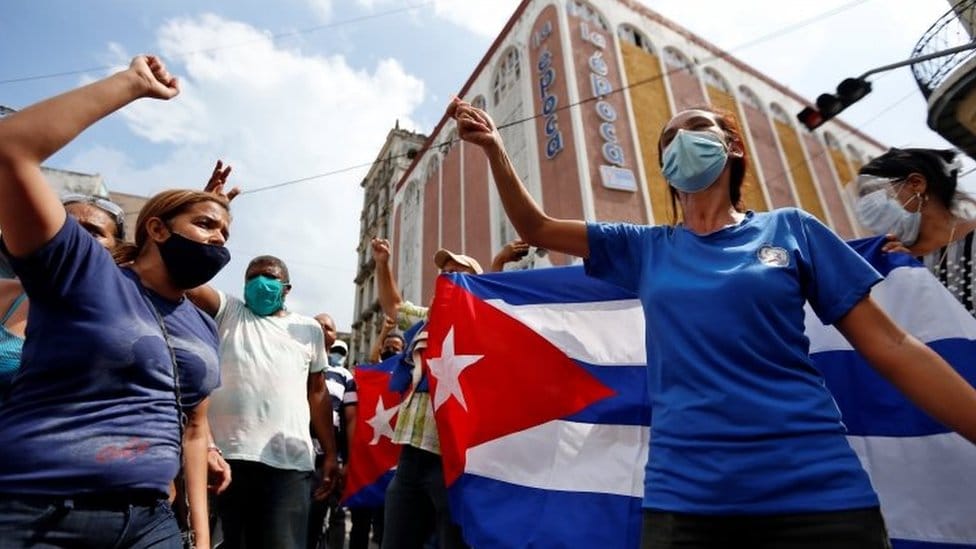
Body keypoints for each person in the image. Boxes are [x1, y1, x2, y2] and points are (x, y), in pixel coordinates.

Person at [450, 99, 976, 548]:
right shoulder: (645, 248)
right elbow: (535, 226)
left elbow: (892, 345)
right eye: (669, 138)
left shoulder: (792, 229)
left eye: (697, 128)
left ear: (734, 148)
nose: (682, 139)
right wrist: (495, 148)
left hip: (819, 496)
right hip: (686, 506)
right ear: (666, 168)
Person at [0, 55, 227, 547]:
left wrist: (201, 538)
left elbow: (192, 431)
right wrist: (132, 84)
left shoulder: (203, 324)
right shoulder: (82, 271)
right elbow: (9, 148)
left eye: (226, 232)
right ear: (155, 228)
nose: (218, 241)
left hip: (150, 522)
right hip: (40, 515)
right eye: (206, 226)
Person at [190, 255, 339, 549]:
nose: (260, 283)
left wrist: (331, 453)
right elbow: (191, 284)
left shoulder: (308, 329)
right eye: (252, 277)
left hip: (289, 464)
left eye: (269, 277)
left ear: (286, 288)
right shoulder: (229, 311)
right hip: (226, 460)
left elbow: (318, 394)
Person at [372, 240, 479, 549]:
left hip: (452, 459)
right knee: (396, 540)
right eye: (444, 273)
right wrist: (382, 264)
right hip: (410, 455)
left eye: (457, 274)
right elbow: (393, 307)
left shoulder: (481, 324)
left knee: (452, 542)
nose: (447, 278)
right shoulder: (426, 320)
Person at [0, 193, 126, 399]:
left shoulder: (126, 317)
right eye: (66, 227)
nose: (74, 237)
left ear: (117, 251)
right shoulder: (7, 293)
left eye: (93, 233)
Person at [853, 147, 976, 316]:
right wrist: (906, 273)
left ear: (916, 184)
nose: (866, 206)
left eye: (870, 193)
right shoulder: (894, 264)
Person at [348, 315, 403, 549]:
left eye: (396, 348)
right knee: (360, 525)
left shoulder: (408, 379)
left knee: (386, 528)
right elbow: (372, 362)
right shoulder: (373, 377)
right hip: (366, 463)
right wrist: (383, 333)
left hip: (392, 466)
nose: (391, 351)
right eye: (387, 347)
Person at [308, 313, 358, 549]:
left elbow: (350, 420)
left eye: (328, 327)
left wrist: (346, 461)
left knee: (314, 525)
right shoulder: (290, 360)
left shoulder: (345, 376)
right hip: (286, 456)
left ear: (334, 337)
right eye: (317, 323)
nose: (322, 328)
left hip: (323, 462)